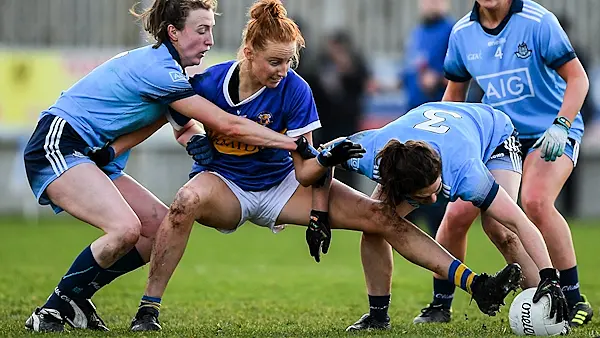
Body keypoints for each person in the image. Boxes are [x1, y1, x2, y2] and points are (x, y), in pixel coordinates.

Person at [126, 0, 523, 332]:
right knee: (183, 202)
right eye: (275, 62)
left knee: (381, 217)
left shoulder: (296, 90)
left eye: (289, 62)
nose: (284, 71)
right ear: (248, 53)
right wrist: (194, 140)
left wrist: (318, 213)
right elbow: (176, 117)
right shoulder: (207, 83)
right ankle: (149, 309)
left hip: (285, 186)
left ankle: (469, 286)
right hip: (227, 187)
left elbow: (307, 168)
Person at [23, 0, 315, 333]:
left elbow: (174, 120)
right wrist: (296, 144)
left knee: (156, 228)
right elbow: (228, 124)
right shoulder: (159, 70)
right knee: (125, 229)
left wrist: (192, 139)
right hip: (58, 144)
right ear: (174, 33)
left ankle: (78, 296)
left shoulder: (169, 73)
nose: (210, 41)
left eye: (211, 30)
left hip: (90, 156)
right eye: (201, 30)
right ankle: (52, 309)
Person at [414, 0, 592, 327]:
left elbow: (578, 79)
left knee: (535, 202)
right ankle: (441, 303)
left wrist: (561, 125)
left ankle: (573, 296)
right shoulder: (463, 33)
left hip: (550, 128)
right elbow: (454, 96)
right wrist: (442, 140)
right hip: (498, 134)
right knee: (457, 215)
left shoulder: (538, 22)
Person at [337, 102, 569, 331]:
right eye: (423, 197)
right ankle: (378, 317)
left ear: (439, 171)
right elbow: (318, 156)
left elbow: (519, 222)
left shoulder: (466, 174)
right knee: (374, 224)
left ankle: (549, 309)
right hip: (430, 136)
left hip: (495, 135)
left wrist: (550, 276)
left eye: (436, 190)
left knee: (501, 229)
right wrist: (318, 214)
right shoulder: (369, 152)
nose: (434, 201)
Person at [400, 0, 455, 236]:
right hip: (412, 114)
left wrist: (439, 77)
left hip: (436, 117)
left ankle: (440, 236)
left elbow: (462, 73)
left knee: (433, 173)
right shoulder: (418, 32)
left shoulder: (452, 31)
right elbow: (411, 69)